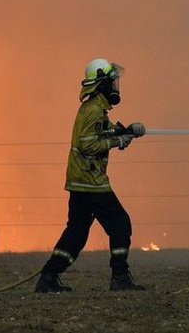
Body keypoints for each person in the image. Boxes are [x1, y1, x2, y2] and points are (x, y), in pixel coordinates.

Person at [35, 58, 147, 293]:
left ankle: (48, 276)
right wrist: (118, 141)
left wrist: (126, 131)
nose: (116, 86)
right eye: (112, 82)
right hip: (91, 181)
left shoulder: (94, 108)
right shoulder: (94, 111)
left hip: (80, 180)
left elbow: (101, 133)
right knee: (120, 224)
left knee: (76, 231)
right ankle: (120, 277)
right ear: (103, 84)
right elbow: (88, 144)